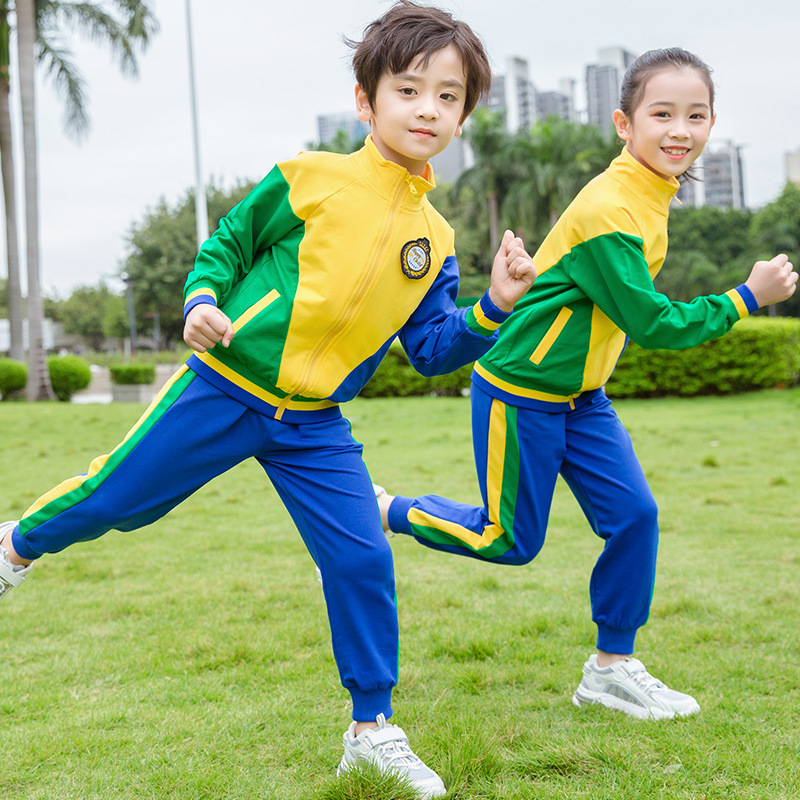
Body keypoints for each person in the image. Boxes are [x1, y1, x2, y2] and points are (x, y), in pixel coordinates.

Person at [0, 2, 535, 796]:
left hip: (315, 428)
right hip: (224, 388)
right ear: (366, 101)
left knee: (362, 556)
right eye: (409, 90)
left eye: (448, 97)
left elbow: (431, 349)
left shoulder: (437, 240)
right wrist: (200, 300)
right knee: (117, 499)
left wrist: (492, 307)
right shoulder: (308, 177)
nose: (428, 109)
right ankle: (14, 548)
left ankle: (372, 730)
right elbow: (227, 245)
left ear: (463, 117)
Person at [377, 47, 798, 722]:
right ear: (624, 123)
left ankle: (610, 668)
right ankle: (388, 511)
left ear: (712, 125)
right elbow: (653, 323)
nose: (680, 130)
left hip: (583, 399)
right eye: (662, 113)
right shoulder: (611, 208)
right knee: (509, 541)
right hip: (521, 391)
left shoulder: (650, 192)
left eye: (696, 115)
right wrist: (747, 296)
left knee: (634, 518)